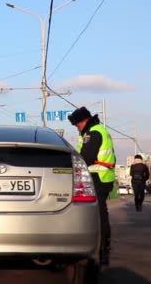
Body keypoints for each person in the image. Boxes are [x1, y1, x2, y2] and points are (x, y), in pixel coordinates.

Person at [68, 106, 115, 266]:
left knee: (99, 215)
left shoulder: (94, 132)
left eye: (77, 124)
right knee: (97, 214)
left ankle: (103, 250)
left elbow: (85, 157)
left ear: (84, 120)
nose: (76, 127)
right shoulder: (93, 130)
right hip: (99, 177)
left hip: (99, 177)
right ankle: (100, 249)